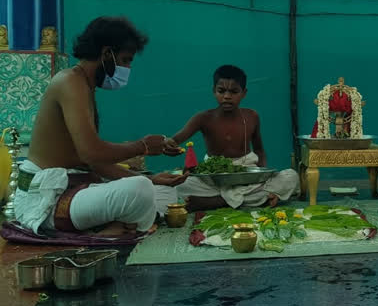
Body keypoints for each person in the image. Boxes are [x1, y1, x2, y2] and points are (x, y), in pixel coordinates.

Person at [15, 17, 186, 236]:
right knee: (140, 190)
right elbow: (91, 154)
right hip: (47, 200)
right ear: (107, 54)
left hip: (77, 187)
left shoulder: (85, 86)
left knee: (162, 191)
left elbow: (94, 163)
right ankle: (117, 228)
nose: (127, 68)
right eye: (125, 60)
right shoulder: (70, 82)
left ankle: (118, 226)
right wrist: (142, 147)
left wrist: (152, 178)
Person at [171, 65, 299, 211]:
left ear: (244, 93)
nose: (227, 96)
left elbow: (259, 150)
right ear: (214, 91)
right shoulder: (203, 118)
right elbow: (176, 140)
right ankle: (249, 199)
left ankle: (217, 201)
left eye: (234, 91)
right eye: (221, 91)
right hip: (214, 178)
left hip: (246, 175)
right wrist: (168, 144)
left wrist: (262, 174)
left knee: (291, 177)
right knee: (179, 185)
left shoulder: (252, 116)